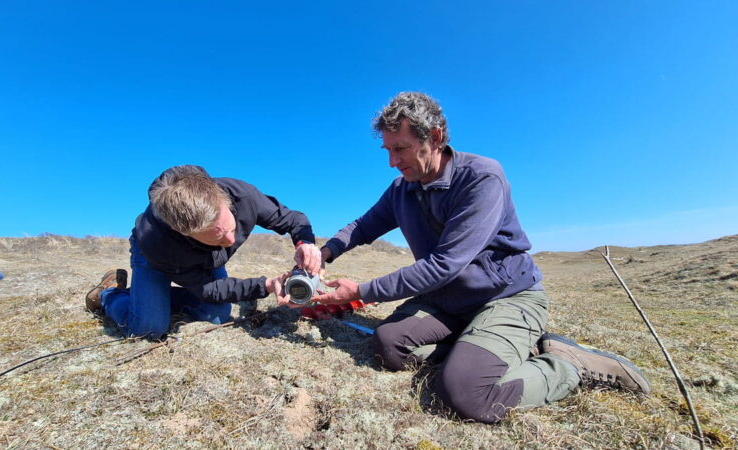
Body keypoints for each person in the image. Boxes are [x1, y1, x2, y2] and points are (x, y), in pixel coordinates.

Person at [311, 92, 650, 423]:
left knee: (466, 392)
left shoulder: (481, 178)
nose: (392, 162)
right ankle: (479, 349)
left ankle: (567, 364)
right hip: (447, 302)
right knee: (388, 346)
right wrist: (323, 252)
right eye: (388, 150)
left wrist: (361, 292)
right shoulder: (402, 189)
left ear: (435, 137)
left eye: (400, 148)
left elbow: (445, 264)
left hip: (505, 298)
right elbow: (363, 226)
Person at [85, 165, 320, 340]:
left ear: (224, 200)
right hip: (154, 257)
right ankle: (109, 294)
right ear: (185, 232)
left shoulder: (243, 196)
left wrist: (305, 243)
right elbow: (211, 289)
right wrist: (267, 285)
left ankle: (146, 297)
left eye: (231, 228)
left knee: (216, 315)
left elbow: (293, 219)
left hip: (203, 258)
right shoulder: (160, 243)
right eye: (217, 238)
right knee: (148, 329)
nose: (231, 241)